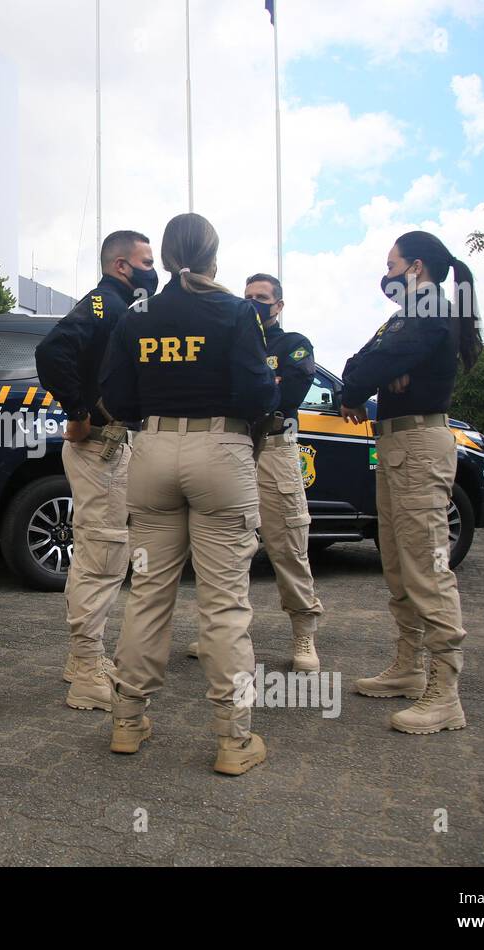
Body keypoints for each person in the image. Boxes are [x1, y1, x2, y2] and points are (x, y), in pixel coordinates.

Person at [100, 213, 278, 775]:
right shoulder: (233, 311)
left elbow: (113, 394)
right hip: (219, 453)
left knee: (149, 592)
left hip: (151, 453)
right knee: (224, 601)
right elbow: (258, 392)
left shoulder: (137, 314)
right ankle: (233, 738)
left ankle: (127, 721)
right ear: (212, 257)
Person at [340, 230, 483, 734]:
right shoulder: (406, 315)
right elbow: (359, 363)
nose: (387, 273)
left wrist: (373, 376)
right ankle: (408, 668)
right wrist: (373, 376)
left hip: (421, 445)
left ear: (415, 266)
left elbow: (369, 368)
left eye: (391, 263)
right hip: (396, 443)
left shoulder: (430, 311)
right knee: (399, 563)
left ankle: (445, 695)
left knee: (427, 568)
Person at [35, 229, 157, 711]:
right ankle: (87, 669)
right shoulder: (106, 301)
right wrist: (79, 410)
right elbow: (52, 351)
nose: (154, 268)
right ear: (122, 265)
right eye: (146, 260)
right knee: (102, 555)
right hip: (100, 447)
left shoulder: (123, 306)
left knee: (102, 552)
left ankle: (83, 657)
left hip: (113, 446)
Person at [190, 273, 324, 670]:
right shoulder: (231, 341)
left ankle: (303, 636)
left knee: (288, 545)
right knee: (225, 548)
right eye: (247, 296)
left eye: (262, 297)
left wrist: (256, 387)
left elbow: (287, 394)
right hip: (232, 447)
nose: (253, 303)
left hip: (275, 449)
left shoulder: (294, 345)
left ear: (278, 305)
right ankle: (219, 633)